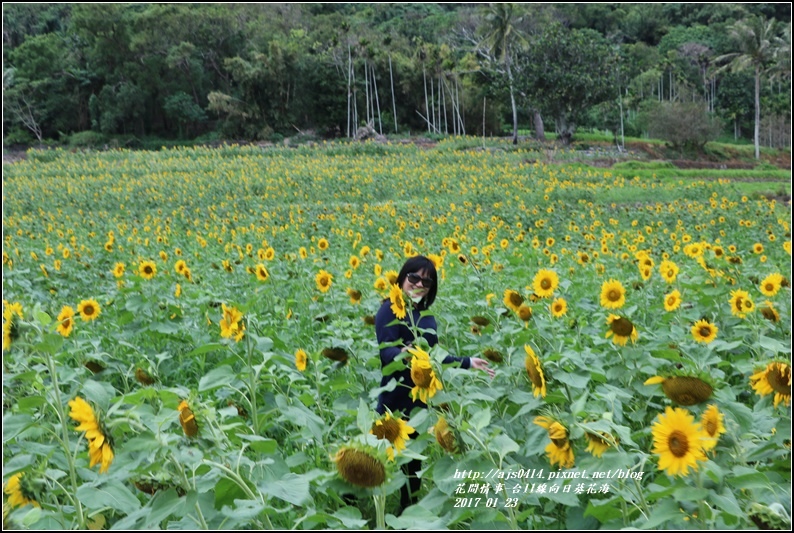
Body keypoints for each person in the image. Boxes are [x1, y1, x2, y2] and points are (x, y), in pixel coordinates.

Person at [374, 255, 495, 512]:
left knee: (413, 465)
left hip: (421, 397)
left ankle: (409, 514)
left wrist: (468, 362)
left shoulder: (426, 316)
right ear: (403, 277)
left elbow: (434, 356)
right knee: (373, 454)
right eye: (413, 278)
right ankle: (357, 497)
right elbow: (386, 356)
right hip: (395, 394)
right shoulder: (389, 309)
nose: (419, 284)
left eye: (426, 282)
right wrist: (403, 353)